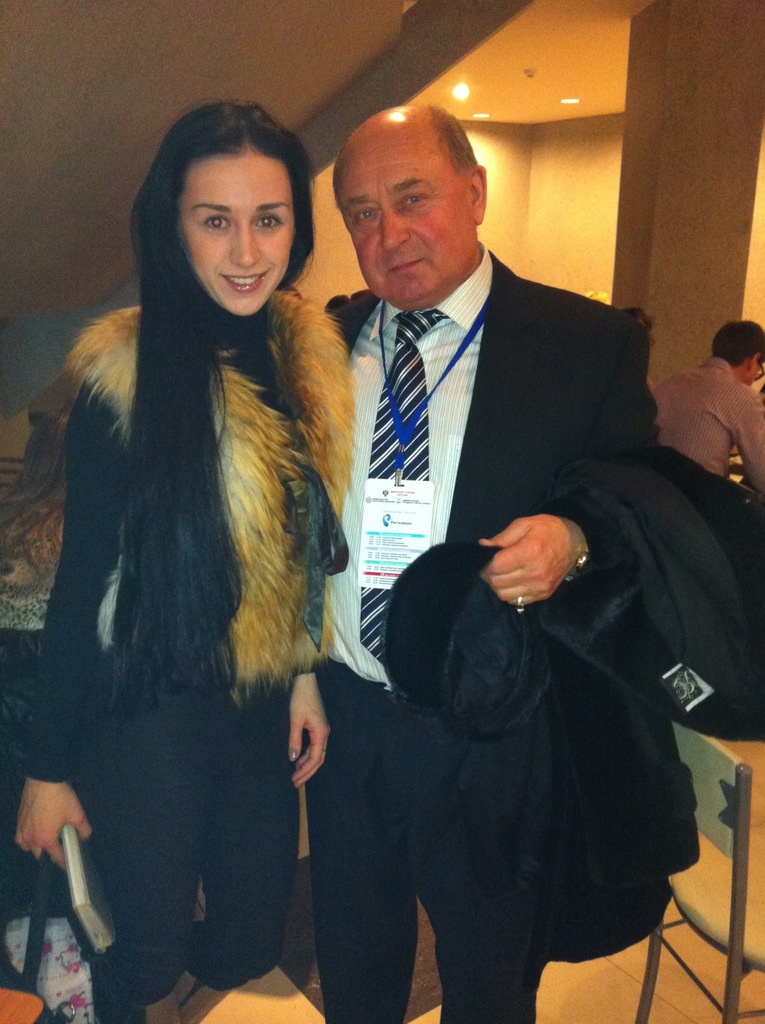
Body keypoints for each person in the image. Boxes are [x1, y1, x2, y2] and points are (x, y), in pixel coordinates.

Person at [305, 105, 658, 1024]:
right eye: (361, 213)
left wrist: (572, 539)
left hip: (494, 730)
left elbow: (637, 512)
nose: (388, 234)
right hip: (345, 719)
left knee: (490, 982)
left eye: (411, 197)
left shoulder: (586, 344)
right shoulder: (319, 347)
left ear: (474, 191)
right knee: (354, 970)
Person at [15, 102, 353, 1024]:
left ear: (296, 225)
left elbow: (302, 543)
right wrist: (46, 772)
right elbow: (81, 581)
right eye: (215, 221)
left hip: (257, 703)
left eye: (268, 219)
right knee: (145, 952)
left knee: (249, 941)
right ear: (174, 226)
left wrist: (304, 676)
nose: (246, 251)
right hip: (148, 707)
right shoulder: (124, 377)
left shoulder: (307, 359)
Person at [653, 319, 765, 493]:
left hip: (649, 493)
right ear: (754, 360)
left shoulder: (668, 383)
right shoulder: (743, 397)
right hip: (696, 500)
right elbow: (762, 477)